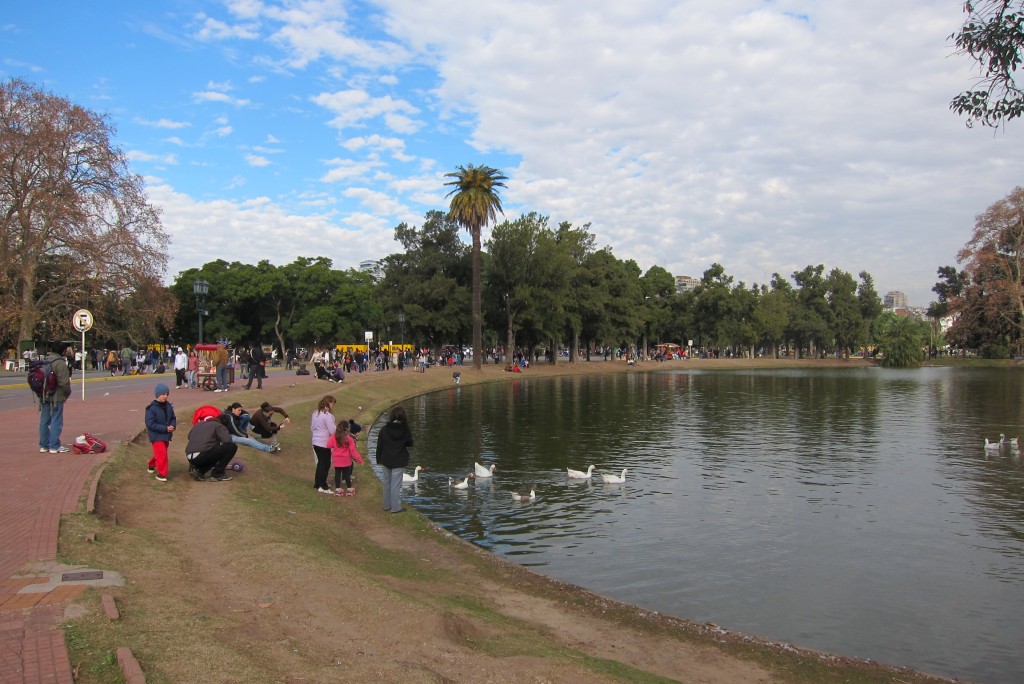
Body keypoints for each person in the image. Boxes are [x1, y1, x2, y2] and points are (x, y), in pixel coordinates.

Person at [375, 405, 414, 513]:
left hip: (386, 459)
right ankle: (395, 507)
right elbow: (410, 443)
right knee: (396, 485)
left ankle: (386, 505)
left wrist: (378, 459)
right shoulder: (405, 429)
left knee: (387, 483)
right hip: (399, 459)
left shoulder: (384, 429)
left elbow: (380, 445)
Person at [38, 341, 73, 454]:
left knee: (44, 421)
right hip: (56, 395)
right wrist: (67, 394)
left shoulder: (43, 361)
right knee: (56, 420)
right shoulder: (60, 363)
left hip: (44, 394)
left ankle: (44, 445)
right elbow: (64, 383)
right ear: (62, 351)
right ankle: (54, 445)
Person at [184, 414, 237, 481]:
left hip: (190, 456)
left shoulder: (199, 424)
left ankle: (200, 471)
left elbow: (189, 436)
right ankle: (217, 473)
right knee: (231, 447)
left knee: (214, 451)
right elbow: (228, 440)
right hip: (201, 456)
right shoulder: (219, 426)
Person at [145, 383, 177, 481]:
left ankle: (151, 464)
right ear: (158, 395)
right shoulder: (151, 408)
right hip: (156, 435)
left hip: (166, 435)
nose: (165, 396)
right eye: (163, 394)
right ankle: (162, 474)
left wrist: (172, 425)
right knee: (162, 454)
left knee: (160, 454)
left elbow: (173, 418)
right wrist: (165, 428)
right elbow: (150, 424)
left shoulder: (169, 406)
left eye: (167, 394)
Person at [328, 419, 363, 496]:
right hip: (346, 460)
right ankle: (349, 489)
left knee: (337, 473)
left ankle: (337, 489)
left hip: (337, 459)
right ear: (347, 429)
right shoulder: (349, 438)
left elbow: (329, 445)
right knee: (347, 474)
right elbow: (353, 450)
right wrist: (359, 459)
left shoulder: (334, 437)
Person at [310, 395, 336, 493]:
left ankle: (318, 483)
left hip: (316, 441)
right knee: (325, 464)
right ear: (329, 403)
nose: (333, 406)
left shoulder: (315, 413)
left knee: (321, 463)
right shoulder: (328, 416)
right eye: (332, 404)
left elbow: (312, 427)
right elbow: (332, 430)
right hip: (324, 443)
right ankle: (322, 486)